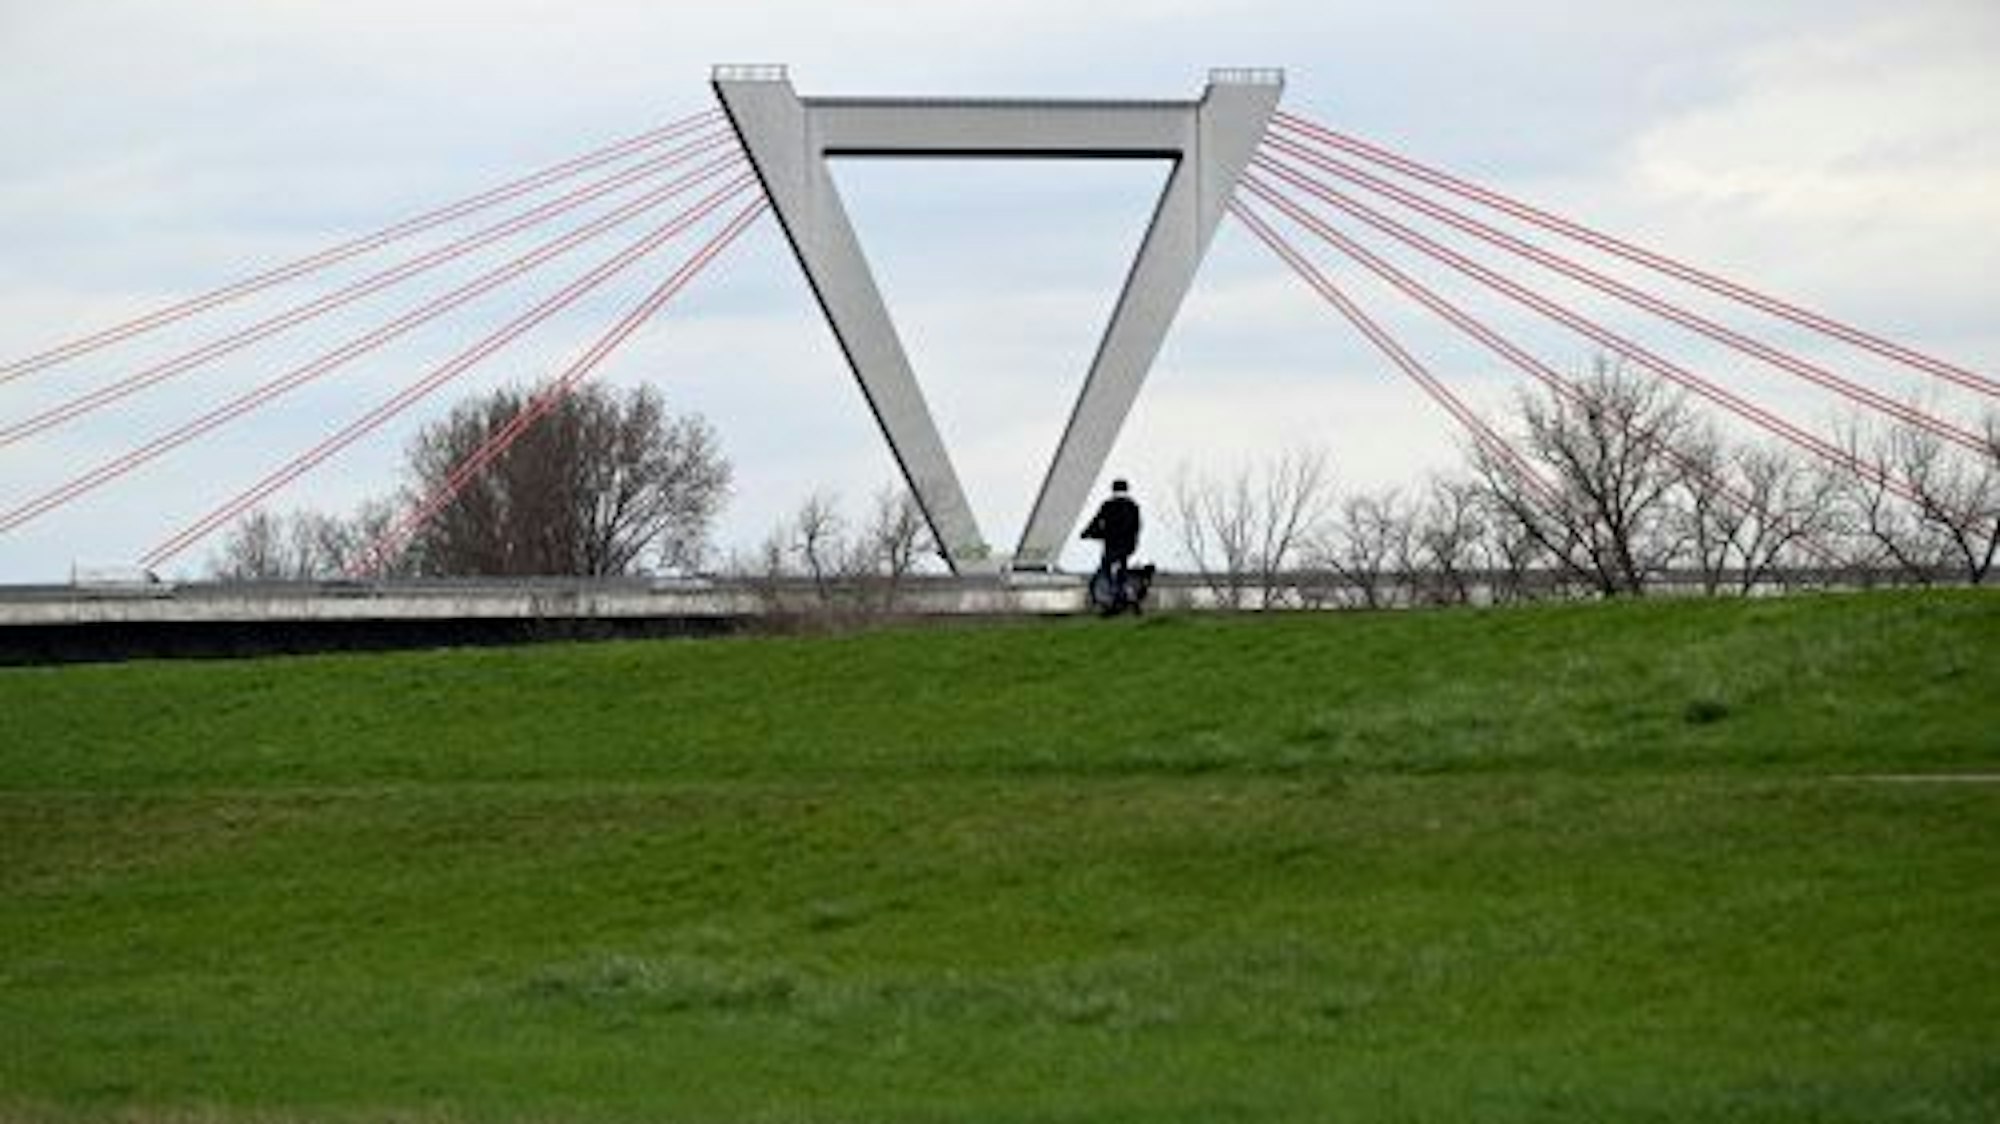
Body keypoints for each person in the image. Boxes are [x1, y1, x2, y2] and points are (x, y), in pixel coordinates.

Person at [1081, 478, 1142, 595]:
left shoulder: (1108, 505)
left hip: (1112, 543)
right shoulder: (1133, 506)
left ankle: (1112, 592)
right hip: (1128, 544)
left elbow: (1097, 520)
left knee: (1105, 565)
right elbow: (1137, 526)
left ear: (1113, 490)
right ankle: (1124, 588)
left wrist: (1087, 533)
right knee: (1122, 563)